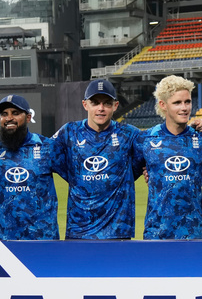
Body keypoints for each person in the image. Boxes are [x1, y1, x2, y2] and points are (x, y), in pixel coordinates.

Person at [52, 78, 142, 240]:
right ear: (85, 104)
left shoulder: (129, 134)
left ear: (115, 106)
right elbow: (41, 153)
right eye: (95, 103)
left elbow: (161, 146)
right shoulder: (69, 132)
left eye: (107, 103)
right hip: (79, 231)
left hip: (118, 232)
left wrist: (194, 128)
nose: (101, 108)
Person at [134, 75, 202, 240]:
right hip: (157, 233)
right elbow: (126, 176)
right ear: (163, 105)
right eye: (177, 103)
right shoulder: (145, 139)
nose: (184, 108)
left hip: (195, 232)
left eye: (187, 102)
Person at [0, 94, 64, 240]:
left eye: (15, 113)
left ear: (28, 117)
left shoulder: (46, 146)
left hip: (44, 240)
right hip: (5, 241)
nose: (9, 118)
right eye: (4, 114)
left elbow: (75, 175)